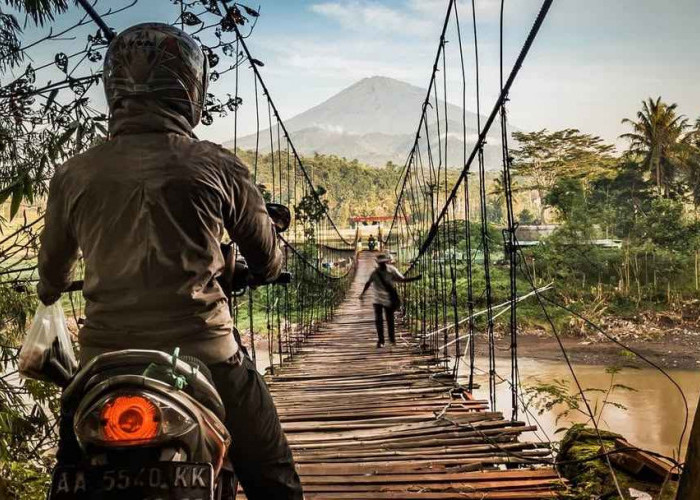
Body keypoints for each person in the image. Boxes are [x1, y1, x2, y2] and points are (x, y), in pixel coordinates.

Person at [37, 23, 303, 499]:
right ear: (190, 87)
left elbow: (51, 275)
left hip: (103, 362)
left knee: (70, 473)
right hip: (206, 352)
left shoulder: (72, 174)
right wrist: (262, 269)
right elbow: (266, 257)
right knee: (274, 478)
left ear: (113, 86)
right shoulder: (217, 165)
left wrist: (55, 287)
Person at [360, 253, 407, 347]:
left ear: (387, 262)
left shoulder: (392, 270)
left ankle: (392, 340)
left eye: (384, 263)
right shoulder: (375, 273)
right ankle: (381, 341)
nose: (382, 265)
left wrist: (415, 278)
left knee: (390, 320)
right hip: (377, 299)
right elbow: (368, 283)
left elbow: (402, 279)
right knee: (379, 320)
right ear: (378, 263)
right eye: (381, 263)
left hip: (388, 298)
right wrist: (362, 294)